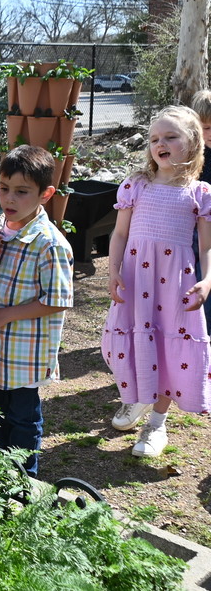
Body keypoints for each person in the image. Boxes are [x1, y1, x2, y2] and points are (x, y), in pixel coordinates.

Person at [102, 105, 211, 458]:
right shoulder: (136, 185)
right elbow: (119, 234)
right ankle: (135, 398)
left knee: (167, 349)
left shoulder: (200, 193)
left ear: (193, 143)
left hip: (174, 286)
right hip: (136, 280)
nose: (159, 144)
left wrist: (207, 280)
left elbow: (207, 246)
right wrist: (113, 268)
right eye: (153, 139)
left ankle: (156, 425)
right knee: (131, 344)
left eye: (170, 137)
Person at [0, 145, 73, 477]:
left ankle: (24, 480)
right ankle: (3, 473)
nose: (9, 199)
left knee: (23, 419)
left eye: (22, 192)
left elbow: (58, 299)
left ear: (45, 194)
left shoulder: (49, 244)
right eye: (4, 189)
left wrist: (6, 314)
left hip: (24, 356)